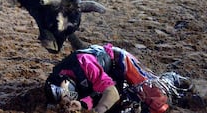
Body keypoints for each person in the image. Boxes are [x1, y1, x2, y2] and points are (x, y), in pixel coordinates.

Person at [44, 44, 205, 113]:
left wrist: (98, 110)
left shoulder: (84, 63)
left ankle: (172, 79)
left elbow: (110, 92)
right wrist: (82, 104)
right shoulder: (58, 78)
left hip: (119, 63)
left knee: (156, 100)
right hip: (103, 80)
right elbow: (95, 93)